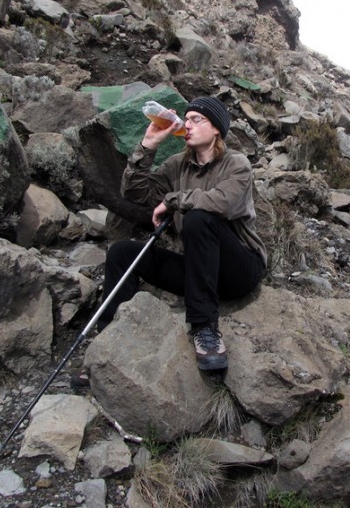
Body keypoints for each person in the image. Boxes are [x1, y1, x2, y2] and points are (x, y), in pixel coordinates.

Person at [96, 96, 267, 371]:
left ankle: (205, 330)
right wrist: (148, 146)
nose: (187, 124)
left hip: (240, 268)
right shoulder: (177, 165)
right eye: (185, 119)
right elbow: (135, 193)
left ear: (216, 129)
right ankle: (106, 341)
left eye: (196, 119)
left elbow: (221, 203)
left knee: (199, 218)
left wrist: (173, 200)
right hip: (199, 270)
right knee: (122, 253)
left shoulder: (237, 163)